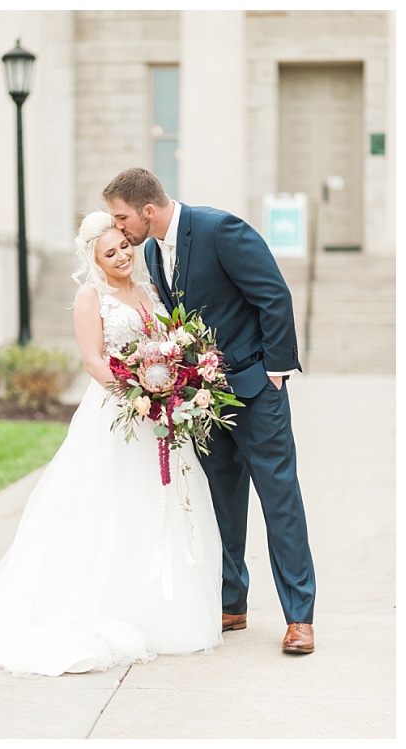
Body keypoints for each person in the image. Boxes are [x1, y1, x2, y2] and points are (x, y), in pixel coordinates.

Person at [0, 211, 223, 676]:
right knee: (109, 503)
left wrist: (172, 388)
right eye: (109, 252)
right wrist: (140, 397)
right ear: (94, 260)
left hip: (160, 416)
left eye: (123, 246)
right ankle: (103, 601)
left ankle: (163, 606)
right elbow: (94, 361)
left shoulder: (149, 291)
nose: (121, 256)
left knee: (158, 504)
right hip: (120, 412)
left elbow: (169, 343)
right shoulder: (89, 296)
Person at [103, 167, 316, 654]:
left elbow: (273, 296)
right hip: (203, 399)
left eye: (122, 218)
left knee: (279, 500)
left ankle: (300, 616)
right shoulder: (154, 251)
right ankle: (232, 604)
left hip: (257, 392)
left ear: (147, 211)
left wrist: (276, 371)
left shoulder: (221, 230)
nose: (119, 229)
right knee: (220, 503)